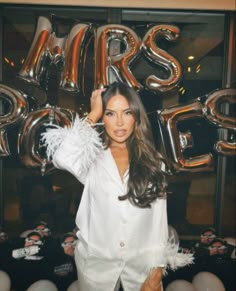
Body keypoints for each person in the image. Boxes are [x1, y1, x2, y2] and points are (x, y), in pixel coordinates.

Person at [42, 82, 193, 291]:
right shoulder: (91, 157)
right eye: (110, 114)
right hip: (96, 264)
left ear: (136, 116)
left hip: (140, 265)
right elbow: (61, 157)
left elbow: (158, 220)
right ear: (103, 118)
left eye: (127, 112)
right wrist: (93, 114)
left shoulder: (153, 161)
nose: (119, 122)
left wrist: (157, 269)